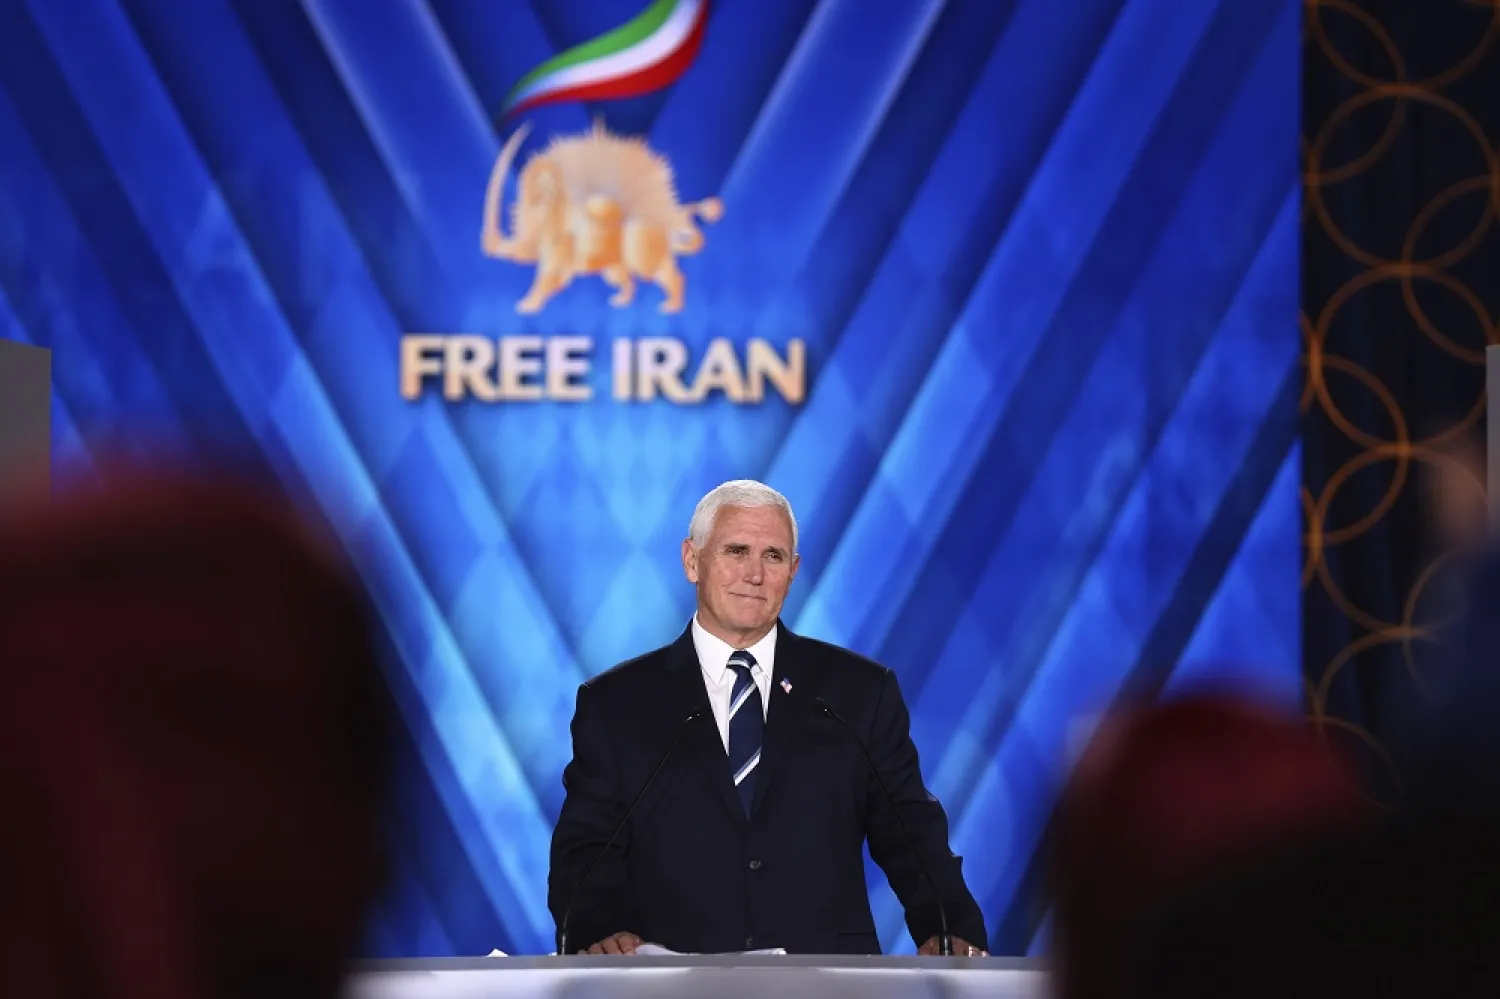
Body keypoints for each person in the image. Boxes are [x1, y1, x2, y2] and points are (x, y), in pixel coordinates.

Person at [548, 480, 986, 955]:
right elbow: (586, 850)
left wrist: (950, 926)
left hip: (828, 986)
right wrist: (597, 931)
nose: (754, 574)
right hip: (671, 983)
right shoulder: (617, 704)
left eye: (773, 556)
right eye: (736, 551)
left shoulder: (857, 693)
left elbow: (912, 833)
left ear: (793, 571)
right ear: (692, 561)